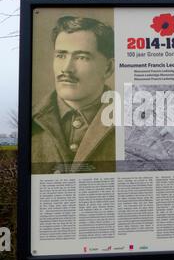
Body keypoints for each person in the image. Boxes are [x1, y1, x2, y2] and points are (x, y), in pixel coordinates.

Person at [32, 16, 115, 174]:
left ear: (108, 68)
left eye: (81, 57)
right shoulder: (31, 120)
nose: (66, 69)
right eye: (61, 55)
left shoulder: (133, 124)